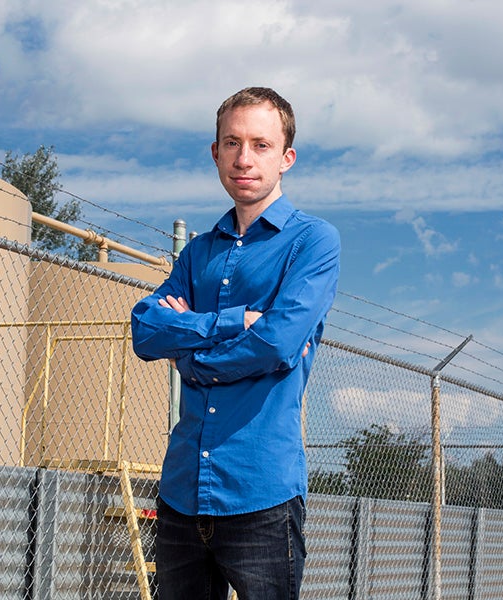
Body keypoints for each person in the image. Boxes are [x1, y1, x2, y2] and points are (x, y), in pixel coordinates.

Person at [130, 87, 340, 599]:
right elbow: (144, 330)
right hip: (182, 492)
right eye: (232, 143)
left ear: (286, 158)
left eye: (261, 145)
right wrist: (231, 321)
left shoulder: (313, 242)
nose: (244, 158)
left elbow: (276, 344)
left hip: (261, 494)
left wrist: (190, 356)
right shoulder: (198, 253)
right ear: (215, 152)